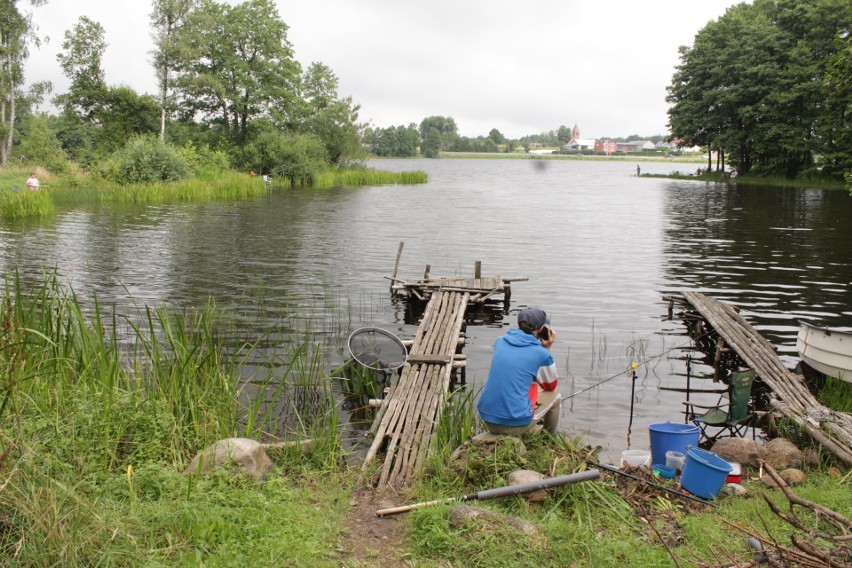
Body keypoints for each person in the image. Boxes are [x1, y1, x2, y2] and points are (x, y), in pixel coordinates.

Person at [477, 306, 562, 436]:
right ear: (541, 330)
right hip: (514, 425)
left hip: (487, 418)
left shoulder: (500, 342)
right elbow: (550, 385)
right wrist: (546, 349)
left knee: (525, 383)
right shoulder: (541, 354)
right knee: (555, 395)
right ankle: (548, 440)